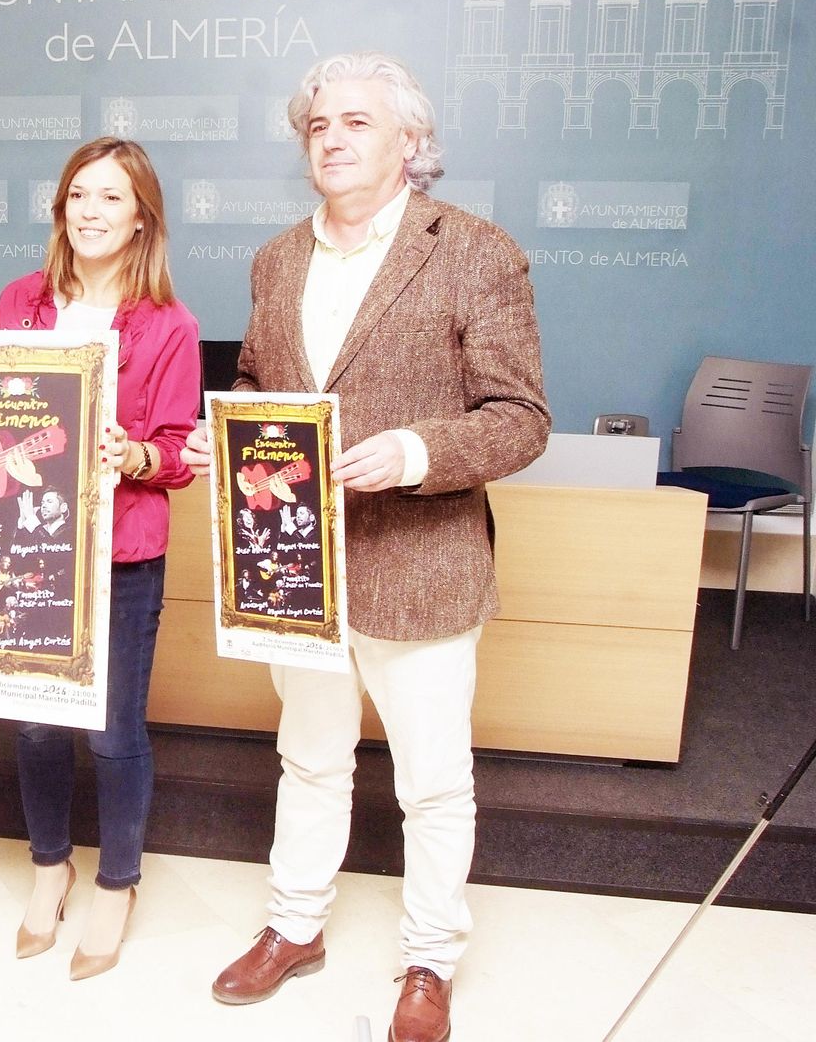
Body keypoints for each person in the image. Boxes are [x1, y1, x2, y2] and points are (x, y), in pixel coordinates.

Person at [183, 52, 549, 1042]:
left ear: (409, 145)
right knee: (308, 758)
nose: (332, 139)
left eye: (355, 122)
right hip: (293, 565)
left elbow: (519, 418)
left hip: (421, 559)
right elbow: (262, 388)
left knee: (431, 779)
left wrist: (420, 449)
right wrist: (226, 436)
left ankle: (428, 962)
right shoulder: (275, 261)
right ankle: (294, 927)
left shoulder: (477, 253)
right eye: (316, 126)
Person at [0, 137, 201, 980]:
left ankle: (117, 881)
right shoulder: (20, 301)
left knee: (114, 733)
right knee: (37, 720)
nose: (89, 210)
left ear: (141, 216)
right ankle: (51, 867)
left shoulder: (170, 325)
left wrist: (135, 455)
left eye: (111, 197)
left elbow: (181, 452)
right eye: (78, 194)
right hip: (27, 547)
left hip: (120, 554)